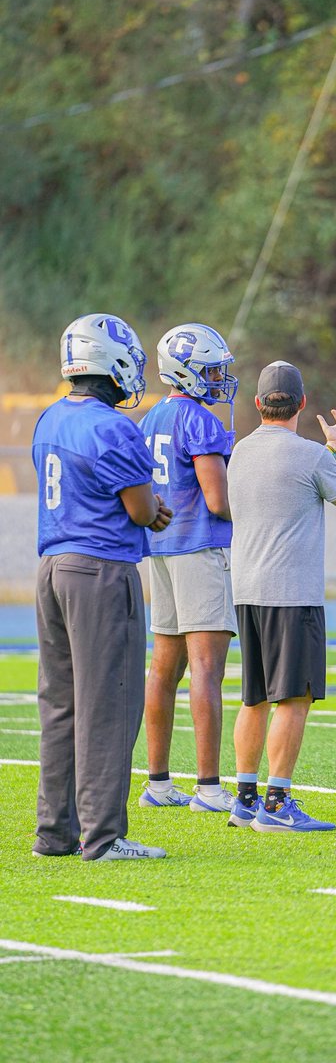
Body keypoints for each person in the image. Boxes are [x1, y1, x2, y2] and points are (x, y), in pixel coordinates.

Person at [31, 313, 172, 862]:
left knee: (60, 705)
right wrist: (155, 511)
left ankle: (55, 833)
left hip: (51, 566)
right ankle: (105, 836)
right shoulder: (114, 427)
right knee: (108, 704)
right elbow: (139, 508)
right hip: (100, 570)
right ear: (110, 363)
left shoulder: (48, 417)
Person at [226, 361, 336, 832]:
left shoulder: (240, 453)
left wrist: (330, 449)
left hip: (247, 589)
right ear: (302, 403)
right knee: (294, 698)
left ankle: (245, 797)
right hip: (291, 592)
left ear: (257, 403)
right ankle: (277, 803)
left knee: (255, 698)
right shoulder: (308, 455)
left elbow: (291, 486)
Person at [138, 323, 239, 813]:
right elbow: (218, 501)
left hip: (161, 549)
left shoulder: (150, 417)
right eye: (213, 369)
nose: (221, 378)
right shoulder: (198, 420)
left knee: (163, 668)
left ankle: (157, 782)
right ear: (188, 370)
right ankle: (208, 786)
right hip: (199, 548)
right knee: (205, 669)